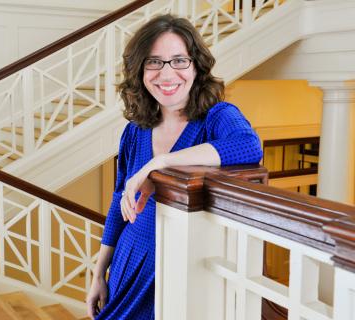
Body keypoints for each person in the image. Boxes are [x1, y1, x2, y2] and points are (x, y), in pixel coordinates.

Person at [86, 14, 262, 320]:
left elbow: (249, 146)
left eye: (179, 60)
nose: (167, 73)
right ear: (140, 70)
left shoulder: (217, 116)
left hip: (177, 269)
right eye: (154, 62)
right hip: (128, 263)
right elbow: (119, 202)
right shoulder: (136, 129)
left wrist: (160, 163)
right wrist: (98, 273)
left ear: (196, 66)